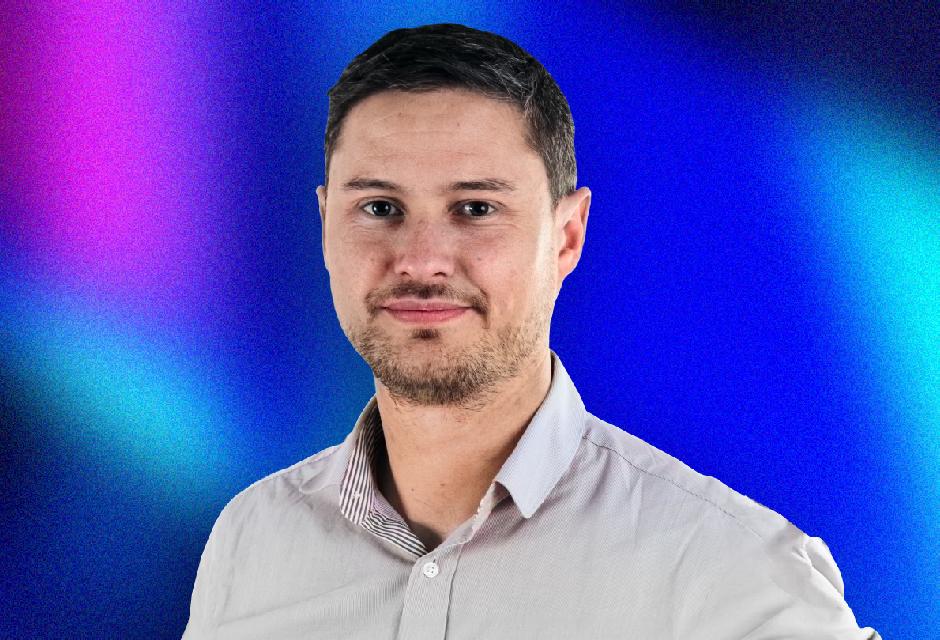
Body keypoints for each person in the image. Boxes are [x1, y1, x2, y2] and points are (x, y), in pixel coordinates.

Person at [183, 23, 880, 639]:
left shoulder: (723, 572)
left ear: (566, 236)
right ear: (326, 225)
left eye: (476, 207)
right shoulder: (253, 543)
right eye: (380, 207)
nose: (422, 260)